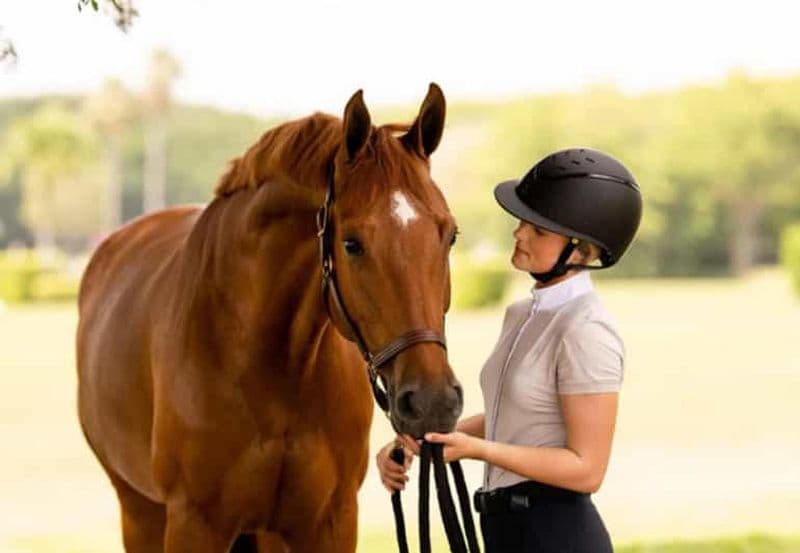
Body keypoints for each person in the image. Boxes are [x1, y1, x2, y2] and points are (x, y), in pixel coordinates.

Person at [376, 147, 642, 552]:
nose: (519, 233)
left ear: (581, 249)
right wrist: (423, 441)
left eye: (538, 229)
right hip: (506, 531)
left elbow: (587, 469)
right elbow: (513, 414)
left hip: (556, 535)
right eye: (522, 221)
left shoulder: (587, 330)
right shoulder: (522, 314)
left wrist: (478, 451)